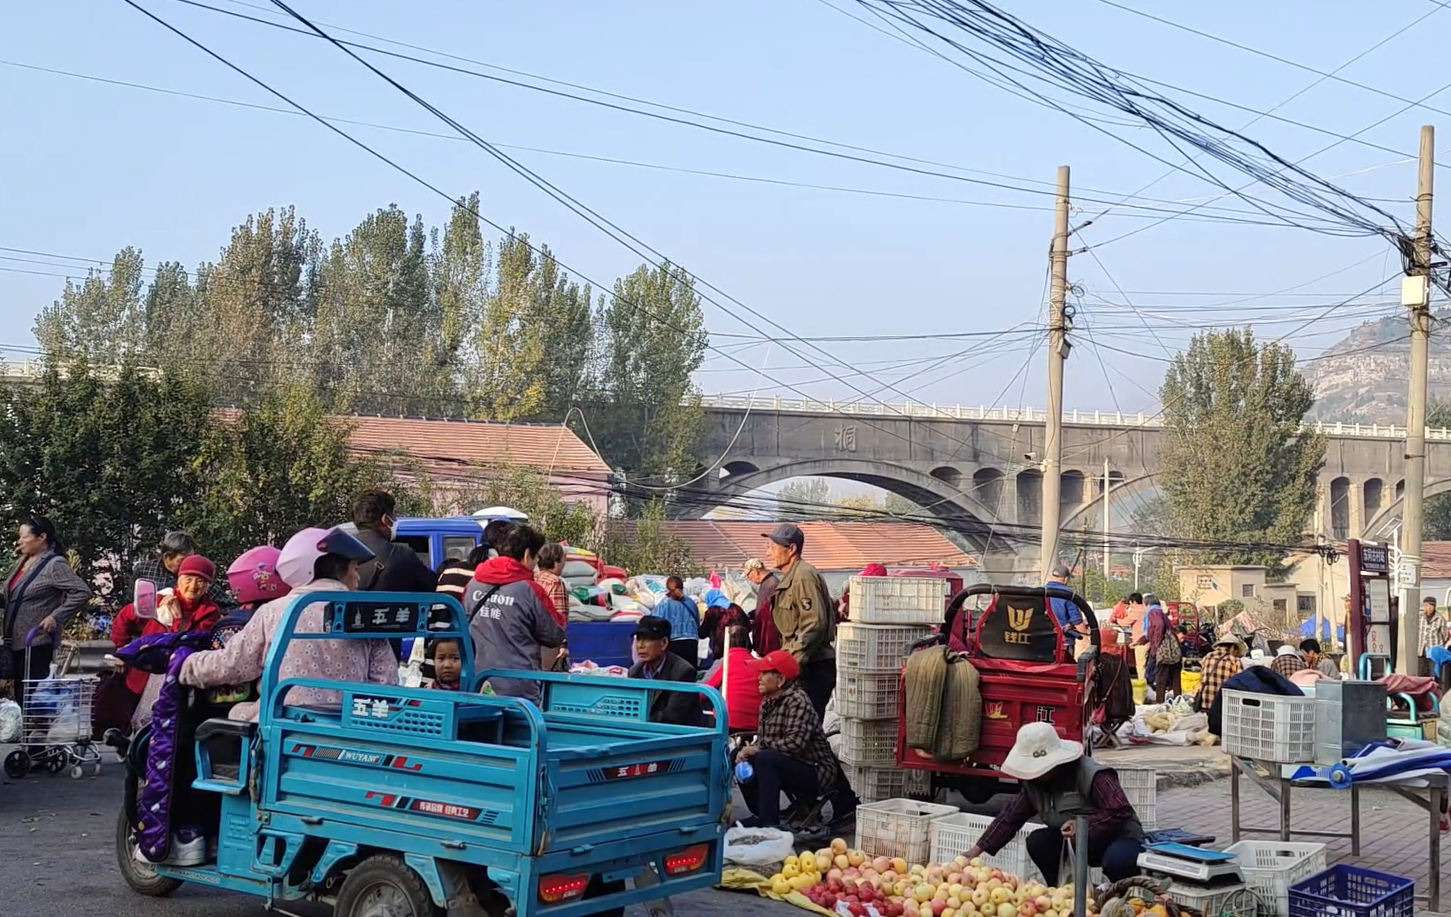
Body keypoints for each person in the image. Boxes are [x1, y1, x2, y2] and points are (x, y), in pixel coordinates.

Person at [179, 527, 393, 721]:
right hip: (352, 731)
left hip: (282, 728)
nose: (357, 577)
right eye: (354, 569)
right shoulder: (366, 615)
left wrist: (185, 664)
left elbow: (232, 665)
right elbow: (386, 683)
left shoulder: (273, 612)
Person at [962, 722, 1144, 886]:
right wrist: (976, 850)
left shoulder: (1091, 774)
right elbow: (1010, 817)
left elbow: (1120, 811)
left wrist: (1082, 826)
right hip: (1079, 844)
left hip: (1119, 839)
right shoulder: (1034, 785)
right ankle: (1057, 892)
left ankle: (1122, 898)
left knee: (1117, 861)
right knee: (1039, 841)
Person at [734, 649, 852, 830]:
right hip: (787, 762)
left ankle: (768, 822)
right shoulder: (767, 701)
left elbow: (795, 743)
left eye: (764, 673)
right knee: (737, 755)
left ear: (780, 680)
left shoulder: (798, 701)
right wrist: (748, 750)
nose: (759, 677)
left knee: (765, 759)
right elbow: (765, 740)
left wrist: (759, 750)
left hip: (815, 770)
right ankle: (760, 813)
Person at [463, 523, 566, 705]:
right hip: (518, 691)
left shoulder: (473, 585)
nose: (535, 566)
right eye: (535, 559)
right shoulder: (530, 590)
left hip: (477, 685)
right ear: (527, 555)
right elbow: (554, 634)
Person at [113, 556, 224, 709]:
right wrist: (121, 647)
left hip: (177, 678)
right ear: (179, 579)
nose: (193, 586)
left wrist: (177, 617)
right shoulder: (158, 598)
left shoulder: (210, 612)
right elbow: (124, 617)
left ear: (207, 586)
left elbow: (187, 642)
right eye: (188, 579)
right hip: (142, 673)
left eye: (200, 581)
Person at [1, 516, 91, 699]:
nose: (19, 541)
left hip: (35, 642)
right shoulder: (23, 562)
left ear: (41, 537)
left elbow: (82, 591)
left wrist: (56, 616)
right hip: (14, 642)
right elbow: (12, 599)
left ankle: (32, 729)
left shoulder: (54, 564)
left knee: (30, 700)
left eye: (24, 537)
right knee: (16, 696)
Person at [762, 523, 837, 719]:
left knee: (802, 731)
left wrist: (791, 664)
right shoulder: (792, 577)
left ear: (792, 549)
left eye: (772, 546)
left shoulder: (803, 576)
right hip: (804, 666)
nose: (768, 552)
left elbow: (814, 624)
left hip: (812, 667)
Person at [350, 489, 437, 593]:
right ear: (385, 519)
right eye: (393, 515)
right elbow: (431, 585)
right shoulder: (403, 555)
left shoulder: (339, 553)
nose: (395, 520)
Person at [628, 615, 704, 727]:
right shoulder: (634, 672)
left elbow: (673, 716)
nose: (640, 645)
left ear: (663, 643)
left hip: (678, 737)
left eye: (647, 639)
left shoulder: (683, 671)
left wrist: (641, 722)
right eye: (639, 639)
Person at [132, 530, 234, 609]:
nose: (189, 564)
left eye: (191, 558)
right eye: (183, 560)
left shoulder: (197, 574)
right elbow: (130, 603)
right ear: (167, 557)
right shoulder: (144, 570)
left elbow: (229, 606)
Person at [704, 624, 762, 731]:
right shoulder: (759, 665)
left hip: (728, 723)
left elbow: (704, 692)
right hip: (755, 724)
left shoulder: (725, 662)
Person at [533, 543, 570, 672]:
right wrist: (563, 644)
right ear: (556, 561)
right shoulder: (555, 581)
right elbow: (559, 617)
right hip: (549, 643)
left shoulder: (533, 577)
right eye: (563, 560)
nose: (564, 564)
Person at [652, 576, 702, 670]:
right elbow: (697, 622)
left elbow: (655, 624)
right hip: (691, 642)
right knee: (690, 671)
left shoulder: (664, 604)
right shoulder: (691, 602)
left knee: (674, 673)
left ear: (667, 589)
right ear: (682, 588)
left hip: (673, 642)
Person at [1194, 633, 1246, 713]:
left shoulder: (1207, 656)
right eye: (1236, 651)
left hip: (1204, 704)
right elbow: (1240, 684)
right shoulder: (1235, 661)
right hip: (1222, 706)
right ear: (1232, 648)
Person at [1137, 594, 1176, 695]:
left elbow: (1158, 626)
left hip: (1159, 649)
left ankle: (1153, 697)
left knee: (1151, 675)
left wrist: (1156, 644)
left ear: (1147, 604)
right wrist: (1139, 641)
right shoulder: (1161, 612)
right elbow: (1152, 631)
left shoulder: (1153, 612)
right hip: (1164, 649)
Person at [743, 558, 782, 656]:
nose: (749, 579)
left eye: (748, 575)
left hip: (770, 639)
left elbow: (771, 611)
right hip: (764, 636)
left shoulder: (772, 584)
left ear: (755, 571)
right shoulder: (766, 583)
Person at [1044, 562, 1089, 639]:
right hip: (1063, 640)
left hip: (1042, 638)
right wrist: (1087, 636)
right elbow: (1076, 621)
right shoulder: (1068, 594)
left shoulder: (1041, 591)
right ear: (1066, 578)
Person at [1420, 597, 1449, 678]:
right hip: (1422, 652)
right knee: (1422, 676)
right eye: (1425, 605)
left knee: (1434, 676)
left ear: (1433, 606)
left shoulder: (1440, 619)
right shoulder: (1421, 618)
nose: (1426, 608)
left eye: (1428, 605)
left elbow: (1445, 636)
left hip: (1434, 653)